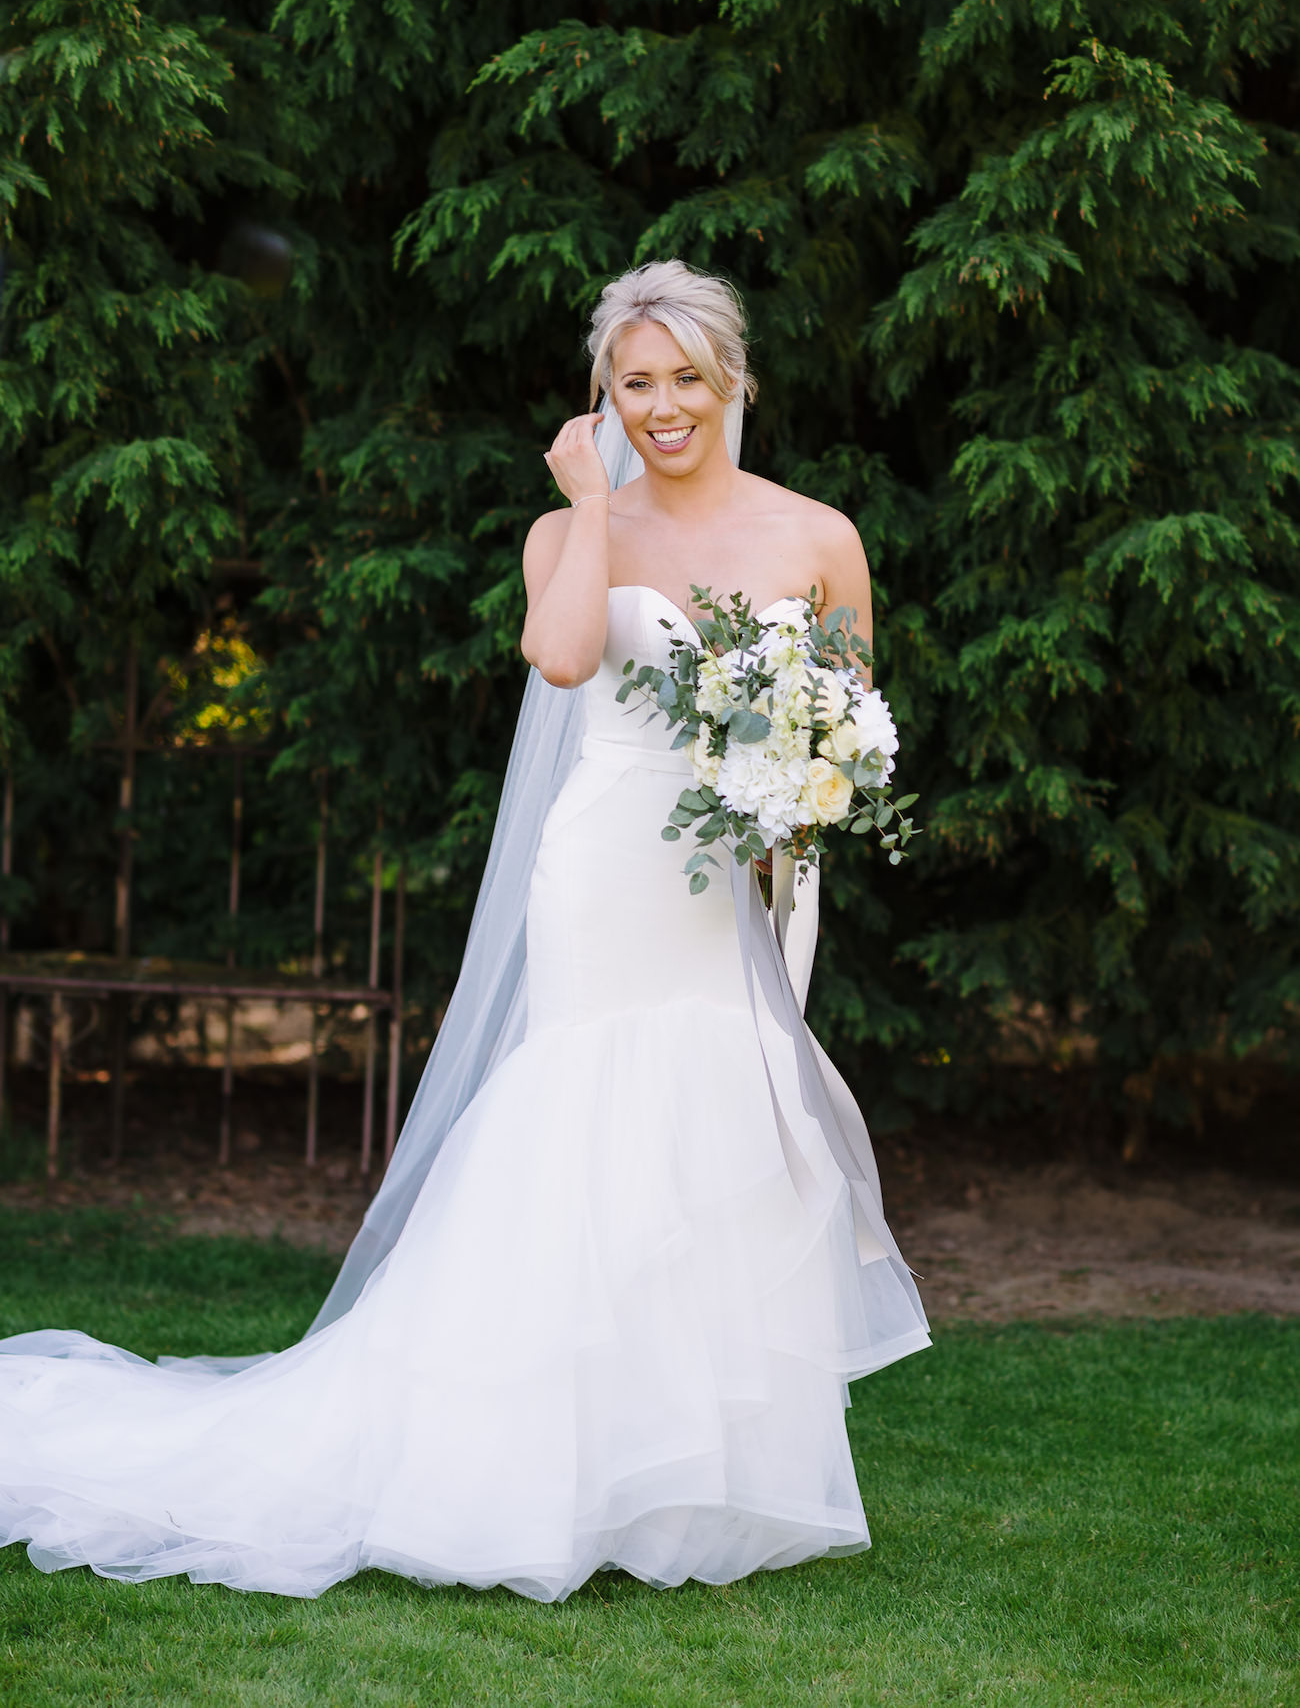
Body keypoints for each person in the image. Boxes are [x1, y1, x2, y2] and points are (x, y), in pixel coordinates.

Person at [0, 260, 928, 1604]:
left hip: (749, 881)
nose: (662, 406)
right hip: (608, 869)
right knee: (591, 1121)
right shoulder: (572, 531)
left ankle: (683, 1484)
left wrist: (804, 786)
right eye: (634, 383)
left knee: (722, 1132)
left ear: (735, 380)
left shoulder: (818, 533)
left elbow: (846, 708)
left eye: (684, 379)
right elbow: (561, 659)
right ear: (603, 394)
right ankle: (519, 1469)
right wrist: (594, 506)